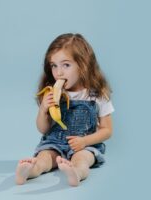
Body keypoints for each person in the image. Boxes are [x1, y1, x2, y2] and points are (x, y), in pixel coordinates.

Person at [15, 33, 114, 186]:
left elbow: (107, 130)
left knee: (82, 159)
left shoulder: (96, 95)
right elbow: (43, 129)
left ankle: (76, 172)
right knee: (44, 158)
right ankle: (30, 170)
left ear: (83, 65)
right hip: (55, 143)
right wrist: (43, 110)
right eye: (54, 65)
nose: (58, 72)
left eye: (66, 65)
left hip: (84, 145)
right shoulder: (52, 93)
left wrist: (84, 141)